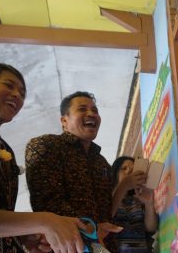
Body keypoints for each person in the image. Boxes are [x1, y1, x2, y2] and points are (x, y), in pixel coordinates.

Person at [0, 58, 86, 253]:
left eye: (22, 93)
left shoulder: (2, 147)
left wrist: (23, 236)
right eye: (8, 85)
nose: (17, 95)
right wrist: (45, 221)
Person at [25, 91, 122, 252]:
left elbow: (107, 211)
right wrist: (90, 230)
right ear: (64, 120)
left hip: (105, 246)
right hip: (67, 246)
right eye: (82, 109)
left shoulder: (102, 163)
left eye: (95, 110)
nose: (91, 114)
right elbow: (47, 202)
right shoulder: (45, 145)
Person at [111, 156, 158, 253]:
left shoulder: (138, 198)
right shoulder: (107, 197)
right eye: (124, 168)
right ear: (115, 173)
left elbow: (150, 228)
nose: (129, 172)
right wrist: (123, 185)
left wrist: (149, 203)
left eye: (133, 170)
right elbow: (105, 217)